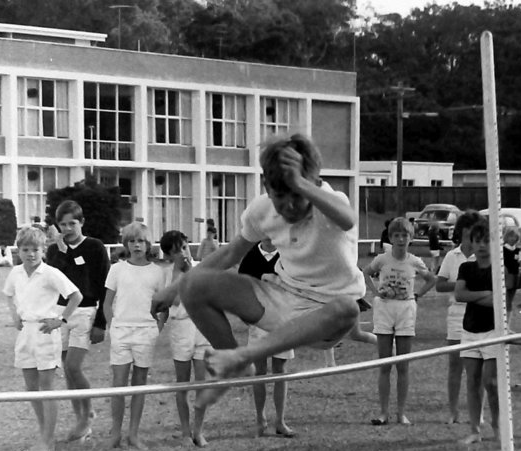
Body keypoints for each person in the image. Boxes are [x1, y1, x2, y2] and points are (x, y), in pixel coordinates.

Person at [152, 133, 366, 409]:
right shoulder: (261, 209)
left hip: (328, 315)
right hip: (283, 298)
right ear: (267, 186)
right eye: (280, 198)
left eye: (297, 197)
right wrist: (172, 289)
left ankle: (244, 356)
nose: (288, 207)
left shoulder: (330, 201)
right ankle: (235, 362)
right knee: (193, 285)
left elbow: (348, 219)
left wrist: (300, 183)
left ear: (312, 184)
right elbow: (230, 253)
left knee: (348, 308)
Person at [3, 226, 82, 451]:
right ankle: (44, 434)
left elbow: (75, 296)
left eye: (35, 249)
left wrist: (61, 320)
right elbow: (8, 294)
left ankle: (48, 441)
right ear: (18, 250)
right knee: (31, 387)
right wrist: (14, 315)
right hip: (25, 332)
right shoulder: (16, 273)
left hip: (45, 332)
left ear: (43, 250)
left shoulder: (50, 273)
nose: (31, 254)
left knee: (46, 387)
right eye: (26, 249)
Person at [45, 200, 111, 444]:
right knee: (66, 369)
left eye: (72, 223)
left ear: (81, 222)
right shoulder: (55, 251)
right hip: (59, 313)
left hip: (85, 313)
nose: (67, 228)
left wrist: (101, 323)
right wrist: (61, 251)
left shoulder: (95, 247)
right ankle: (79, 417)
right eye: (62, 224)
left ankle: (88, 413)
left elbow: (105, 284)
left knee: (74, 366)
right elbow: (53, 280)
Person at [363, 217, 436, 425]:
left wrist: (418, 294)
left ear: (411, 238)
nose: (401, 239)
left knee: (403, 365)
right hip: (385, 310)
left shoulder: (414, 261)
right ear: (391, 238)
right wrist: (376, 292)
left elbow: (431, 279)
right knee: (385, 363)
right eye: (397, 235)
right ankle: (383, 412)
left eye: (405, 235)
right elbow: (366, 272)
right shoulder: (382, 259)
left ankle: (401, 412)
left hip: (405, 310)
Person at [103, 222, 169, 450]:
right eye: (132, 241)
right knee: (119, 385)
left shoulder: (157, 272)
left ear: (148, 243)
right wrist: (113, 326)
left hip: (145, 333)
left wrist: (156, 329)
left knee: (139, 384)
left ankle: (134, 434)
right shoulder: (117, 269)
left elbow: (162, 306)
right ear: (126, 244)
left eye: (140, 241)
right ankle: (115, 433)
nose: (136, 245)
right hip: (121, 332)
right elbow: (107, 303)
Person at [237, 237, 296, 438]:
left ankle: (280, 420)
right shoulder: (251, 257)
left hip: (282, 320)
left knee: (280, 369)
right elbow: (241, 288)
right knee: (259, 371)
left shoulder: (287, 255)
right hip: (259, 321)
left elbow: (297, 284)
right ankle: (260, 419)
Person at [159, 230, 210, 447]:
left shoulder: (202, 269)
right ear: (169, 255)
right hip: (180, 328)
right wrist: (179, 273)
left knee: (202, 382)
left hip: (201, 327)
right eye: (176, 251)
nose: (182, 253)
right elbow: (174, 299)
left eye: (184, 247)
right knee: (182, 384)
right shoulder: (167, 274)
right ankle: (185, 431)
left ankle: (199, 430)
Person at [435, 211, 481, 424]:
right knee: (455, 364)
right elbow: (440, 284)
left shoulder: (483, 256)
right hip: (456, 313)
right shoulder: (452, 256)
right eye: (466, 232)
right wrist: (462, 285)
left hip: (478, 312)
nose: (469, 238)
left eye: (473, 233)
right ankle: (453, 411)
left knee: (477, 365)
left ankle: (477, 413)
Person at [456, 221, 498, 444]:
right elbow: (460, 295)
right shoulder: (466, 268)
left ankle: (498, 427)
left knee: (491, 382)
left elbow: (499, 302)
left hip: (493, 331)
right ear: (471, 243)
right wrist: (484, 294)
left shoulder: (499, 269)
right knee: (472, 380)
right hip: (470, 330)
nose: (482, 245)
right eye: (477, 241)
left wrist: (481, 296)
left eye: (486, 240)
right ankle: (474, 430)